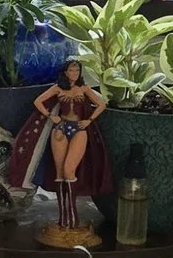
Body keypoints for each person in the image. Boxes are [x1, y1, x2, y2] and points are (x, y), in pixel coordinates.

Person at [10, 58, 113, 246]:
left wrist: (89, 120)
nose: (74, 74)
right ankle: (63, 217)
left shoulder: (84, 89)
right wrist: (52, 116)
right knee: (59, 172)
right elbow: (38, 101)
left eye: (77, 70)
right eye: (71, 70)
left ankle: (71, 214)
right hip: (60, 129)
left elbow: (101, 104)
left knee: (69, 170)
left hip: (79, 130)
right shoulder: (58, 88)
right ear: (65, 72)